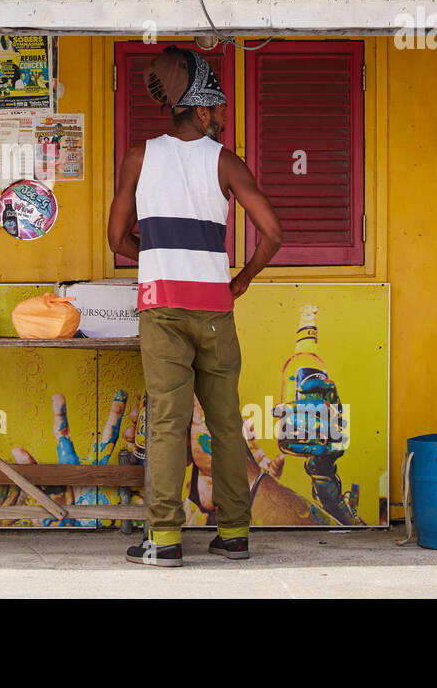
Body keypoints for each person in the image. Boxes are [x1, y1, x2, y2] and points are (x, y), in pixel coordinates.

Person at [107, 45, 283, 568]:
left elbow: (117, 239)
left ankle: (163, 540)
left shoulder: (140, 157)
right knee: (225, 421)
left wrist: (157, 257)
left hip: (161, 307)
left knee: (168, 420)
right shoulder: (225, 162)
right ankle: (233, 532)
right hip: (214, 310)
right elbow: (273, 233)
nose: (225, 119)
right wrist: (242, 279)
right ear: (202, 110)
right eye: (222, 110)